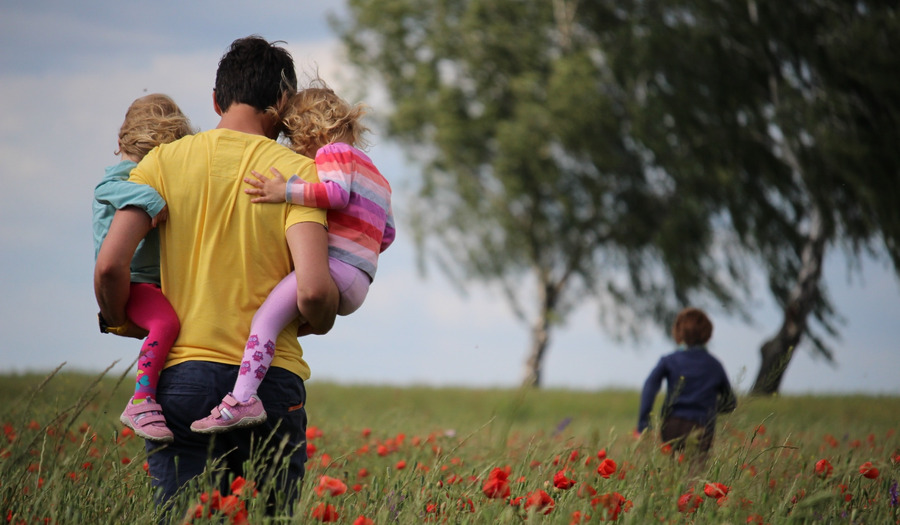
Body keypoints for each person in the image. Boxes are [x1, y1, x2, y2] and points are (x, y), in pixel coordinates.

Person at [94, 35, 339, 511]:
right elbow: (311, 289)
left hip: (181, 378)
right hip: (269, 384)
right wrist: (323, 316)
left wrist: (121, 317)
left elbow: (109, 264)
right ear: (282, 103)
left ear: (215, 99)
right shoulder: (298, 175)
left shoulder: (160, 163)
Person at [191, 81, 396, 433]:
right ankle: (253, 380)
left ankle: (242, 399)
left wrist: (284, 190)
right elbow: (387, 234)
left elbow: (334, 194)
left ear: (310, 129)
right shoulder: (377, 175)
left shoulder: (334, 154)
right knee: (282, 323)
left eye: (292, 136)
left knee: (264, 321)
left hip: (335, 269)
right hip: (360, 279)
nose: (293, 146)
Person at [93, 93, 193, 443]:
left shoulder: (143, 173)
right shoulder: (125, 176)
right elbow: (106, 188)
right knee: (166, 323)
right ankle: (142, 400)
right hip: (134, 281)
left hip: (151, 282)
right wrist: (151, 199)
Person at [636, 307, 736, 459]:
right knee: (696, 473)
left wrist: (644, 423)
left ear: (678, 332)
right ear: (707, 334)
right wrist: (709, 408)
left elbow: (650, 386)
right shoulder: (715, 365)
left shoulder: (669, 361)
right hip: (702, 426)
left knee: (674, 471)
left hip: (672, 425)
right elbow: (730, 402)